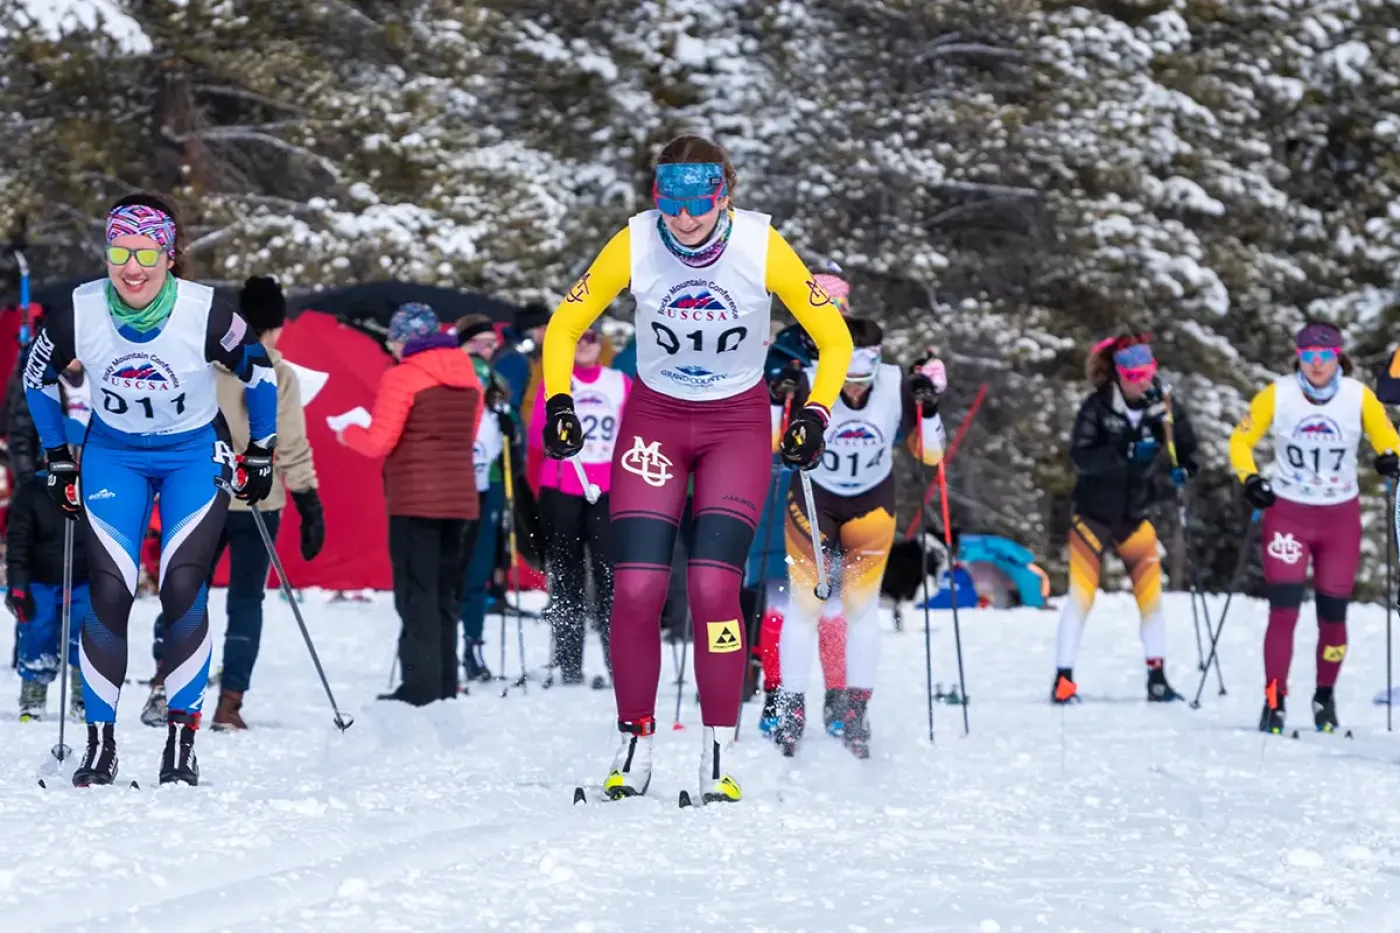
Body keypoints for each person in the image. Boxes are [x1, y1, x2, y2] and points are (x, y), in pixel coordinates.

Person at [540, 134, 853, 803]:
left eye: (699, 205)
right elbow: (565, 324)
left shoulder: (762, 247)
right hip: (655, 418)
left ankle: (717, 753)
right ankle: (634, 744)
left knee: (714, 590)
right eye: (671, 206)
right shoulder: (635, 241)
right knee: (637, 589)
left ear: (725, 194)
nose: (684, 221)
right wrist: (560, 399)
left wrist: (817, 413)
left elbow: (836, 339)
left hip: (733, 426)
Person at [22, 193, 278, 786]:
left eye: (145, 252)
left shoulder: (204, 311)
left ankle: (181, 742)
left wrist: (261, 447)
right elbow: (37, 378)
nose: (131, 267)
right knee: (108, 591)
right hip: (115, 456)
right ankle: (101, 745)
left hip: (191, 453)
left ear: (169, 255)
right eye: (118, 251)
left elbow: (259, 369)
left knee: (184, 585)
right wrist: (58, 453)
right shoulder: (79, 311)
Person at [767, 318, 946, 758]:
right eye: (846, 367)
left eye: (862, 367)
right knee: (805, 604)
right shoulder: (811, 376)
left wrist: (931, 405)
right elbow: (771, 443)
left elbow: (932, 453)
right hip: (813, 501)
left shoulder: (893, 383)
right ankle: (791, 708)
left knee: (860, 608)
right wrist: (778, 399)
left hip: (871, 503)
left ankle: (856, 709)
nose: (852, 387)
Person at [1230, 321, 1400, 734]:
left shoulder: (1359, 397)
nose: (1317, 364)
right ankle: (1275, 699)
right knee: (1283, 611)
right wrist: (1251, 480)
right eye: (1309, 356)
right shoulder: (1278, 394)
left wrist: (1389, 458)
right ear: (1299, 356)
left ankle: (1324, 697)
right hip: (1288, 515)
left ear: (1339, 357)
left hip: (1338, 518)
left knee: (1334, 618)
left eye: (1325, 357)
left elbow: (1388, 440)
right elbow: (1240, 441)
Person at [339, 302, 482, 706]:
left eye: (394, 340)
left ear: (406, 339)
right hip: (461, 501)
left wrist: (346, 431)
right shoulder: (468, 373)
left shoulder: (403, 377)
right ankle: (444, 683)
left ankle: (418, 688)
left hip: (414, 499)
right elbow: (469, 436)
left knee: (415, 594)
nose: (392, 348)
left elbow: (379, 442)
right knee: (445, 596)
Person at [1053, 334, 1199, 706]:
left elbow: (1185, 445)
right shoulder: (1098, 406)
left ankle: (1158, 678)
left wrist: (1185, 468)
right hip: (1093, 515)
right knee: (1080, 598)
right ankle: (1063, 679)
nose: (1140, 381)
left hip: (1135, 515)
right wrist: (1126, 452)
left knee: (1151, 599)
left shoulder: (1163, 404)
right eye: (1132, 374)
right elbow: (1082, 458)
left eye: (1146, 373)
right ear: (1117, 374)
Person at [208, 275, 324, 730]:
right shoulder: (279, 373)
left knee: (188, 594)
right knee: (245, 600)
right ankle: (229, 703)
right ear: (275, 326)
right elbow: (291, 444)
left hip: (206, 495)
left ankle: (165, 683)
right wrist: (309, 502)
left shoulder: (207, 367)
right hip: (261, 499)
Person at [529, 323, 630, 686]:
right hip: (562, 487)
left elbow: (633, 431)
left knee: (609, 578)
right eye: (579, 338)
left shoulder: (618, 382)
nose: (585, 345)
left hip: (606, 489)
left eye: (592, 338)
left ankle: (618, 662)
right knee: (566, 577)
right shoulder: (557, 383)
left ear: (600, 343)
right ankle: (568, 661)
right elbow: (538, 432)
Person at [8, 416, 90, 721]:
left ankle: (84, 693)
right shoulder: (32, 492)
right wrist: (18, 584)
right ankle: (34, 690)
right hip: (40, 579)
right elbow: (18, 543)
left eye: (78, 452)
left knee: (87, 631)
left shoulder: (93, 491)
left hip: (83, 580)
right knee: (37, 628)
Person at [456, 313, 512, 683]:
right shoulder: (453, 371)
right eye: (482, 344)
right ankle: (451, 645)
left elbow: (510, 430)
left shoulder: (497, 380)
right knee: (458, 568)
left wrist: (512, 432)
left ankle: (471, 645)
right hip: (456, 480)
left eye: (493, 345)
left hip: (487, 480)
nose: (489, 352)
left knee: (475, 569)